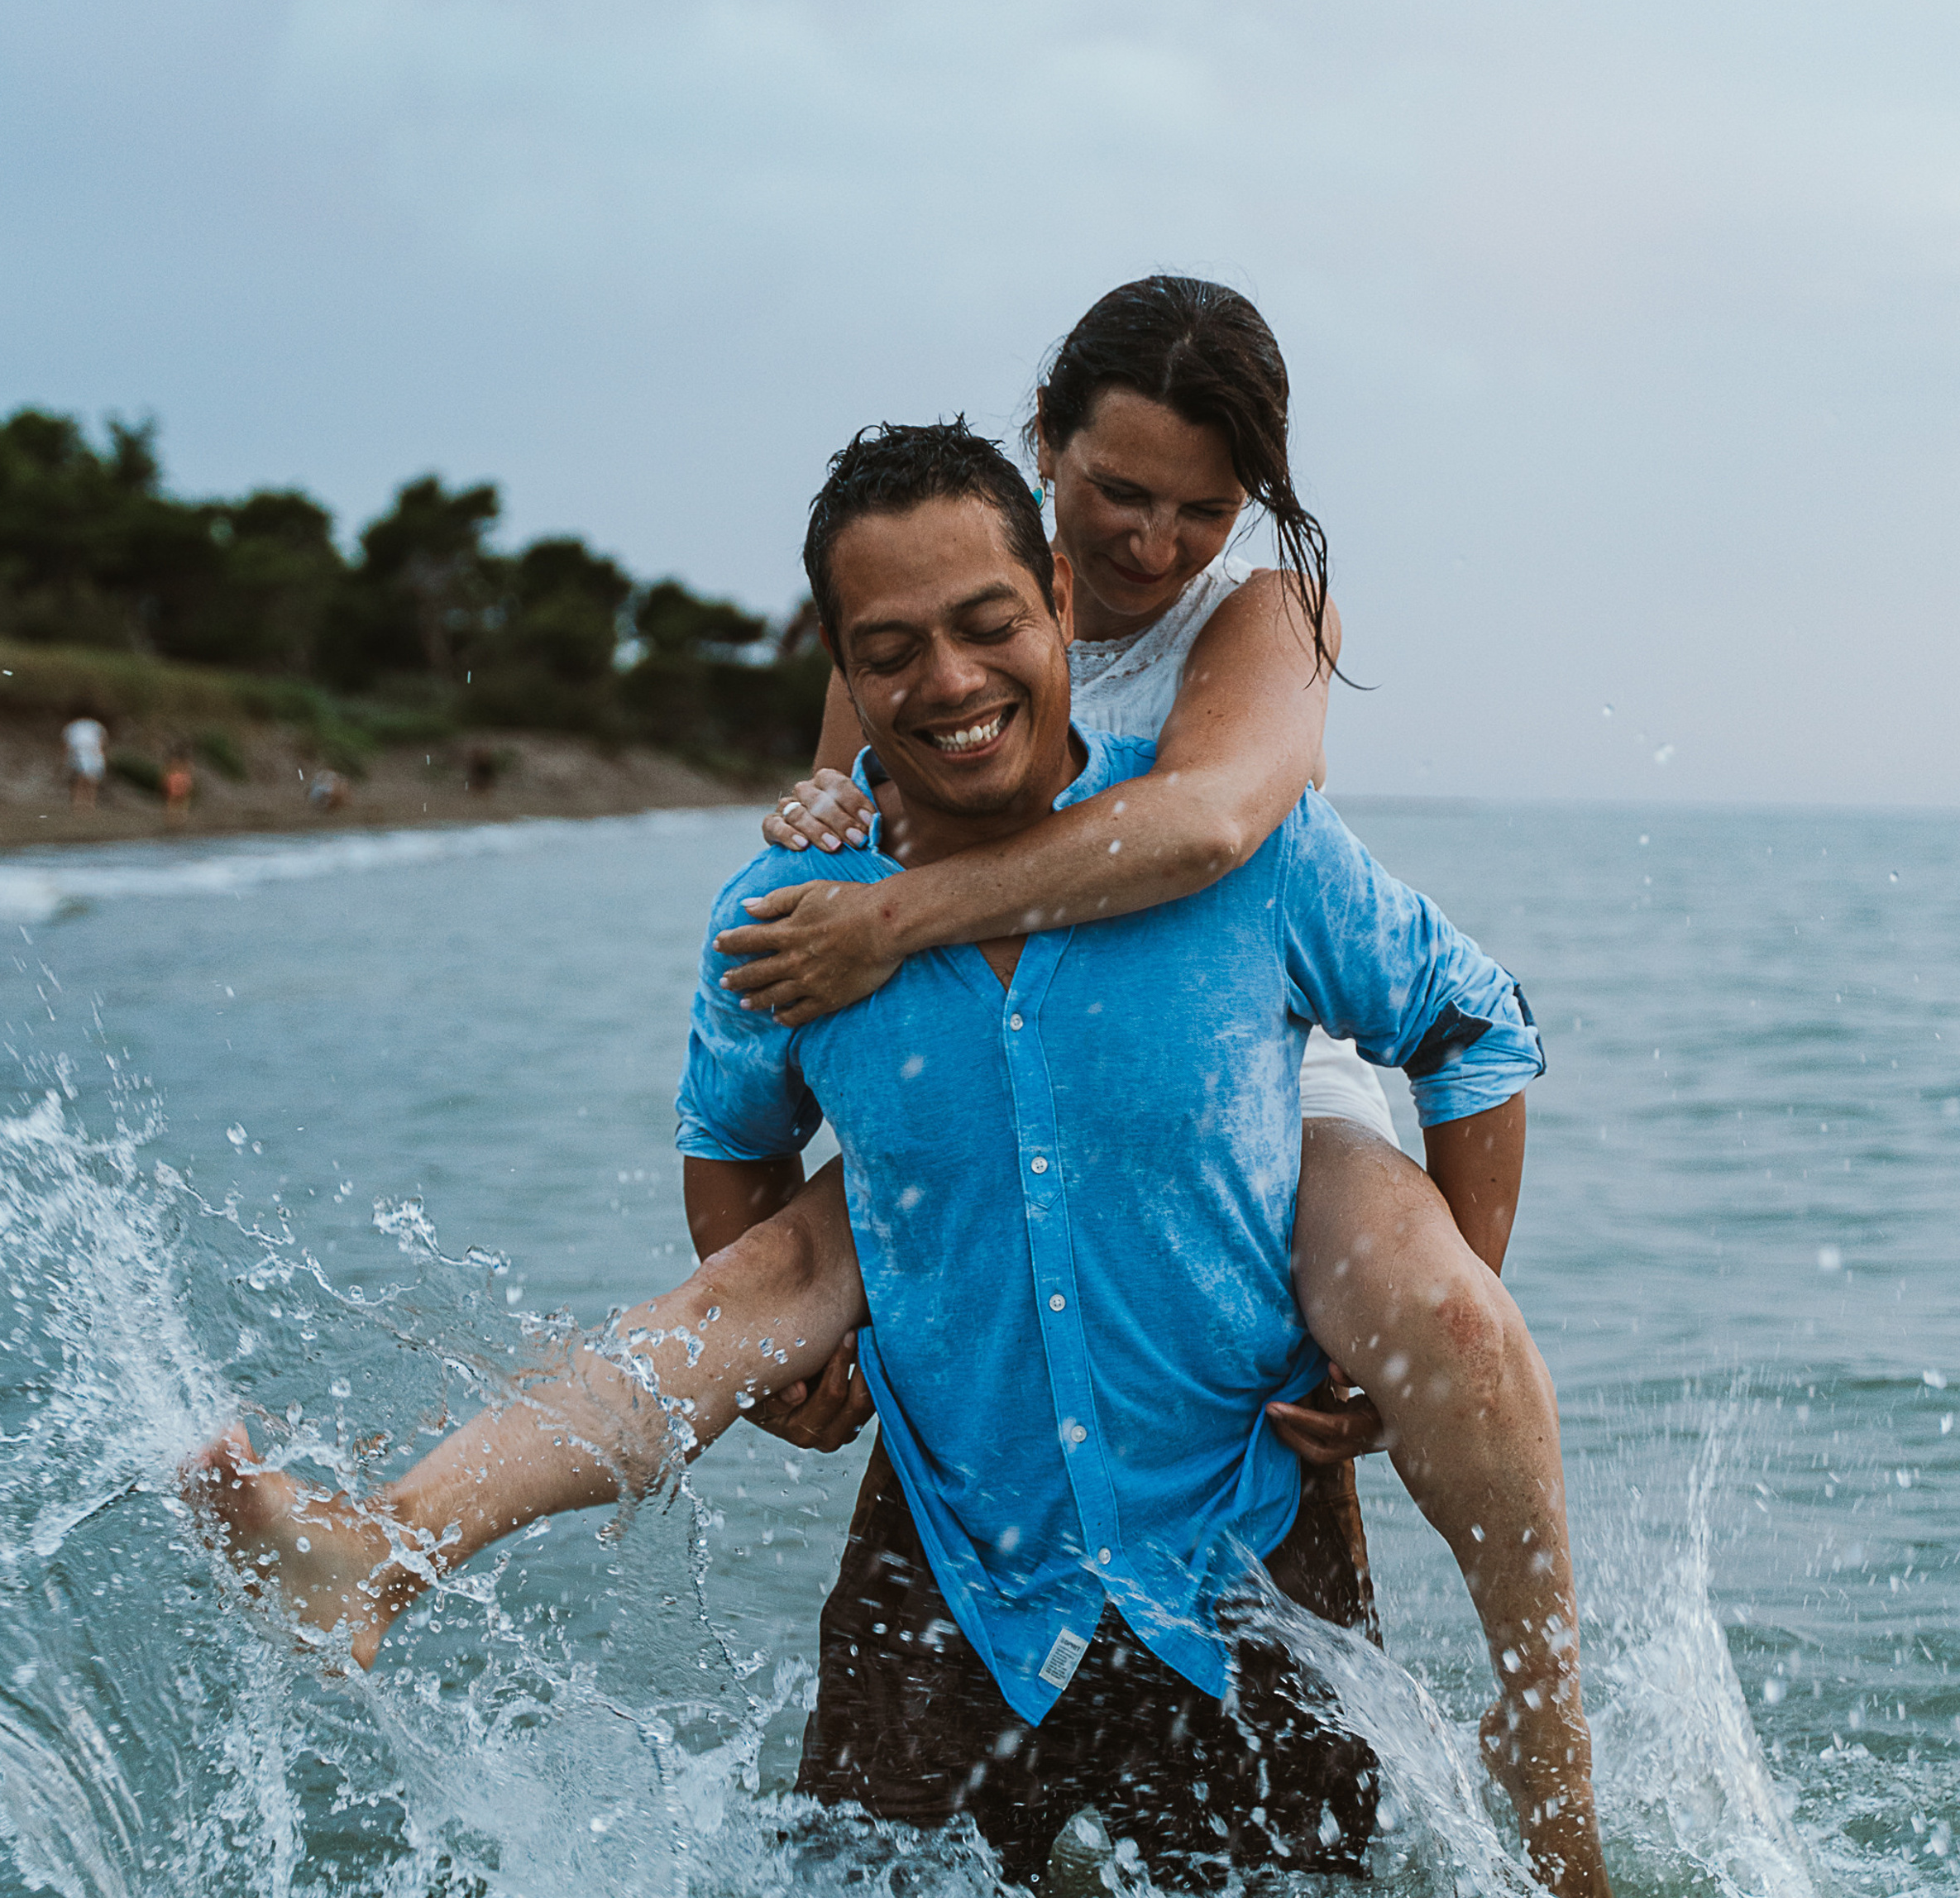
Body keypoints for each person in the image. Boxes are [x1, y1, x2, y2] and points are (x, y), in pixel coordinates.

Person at [193, 423, 1607, 1896]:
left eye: (989, 624)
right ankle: (385, 1549)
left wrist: (1410, 1307)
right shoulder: (787, 909)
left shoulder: (1249, 860)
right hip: (949, 1579)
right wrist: (808, 1371)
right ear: (842, 668)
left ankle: (1557, 1791)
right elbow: (732, 1155)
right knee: (759, 1287)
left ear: (1060, 596)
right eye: (891, 650)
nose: (947, 683)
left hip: (1244, 1557)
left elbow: (1476, 1027)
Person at [62, 715, 107, 810]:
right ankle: (79, 802)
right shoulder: (75, 726)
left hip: (92, 752)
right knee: (82, 777)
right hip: (80, 751)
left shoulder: (95, 726)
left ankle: (89, 803)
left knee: (91, 778)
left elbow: (101, 741)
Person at [162, 743, 195, 829]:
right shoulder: (183, 764)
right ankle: (178, 818)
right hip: (179, 779)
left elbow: (168, 772)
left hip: (177, 779)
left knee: (175, 800)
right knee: (179, 800)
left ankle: (176, 818)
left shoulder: (175, 763)